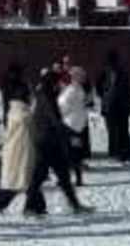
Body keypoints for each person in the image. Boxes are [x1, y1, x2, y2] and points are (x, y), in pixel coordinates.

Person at [22, 69, 89, 215]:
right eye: (57, 82)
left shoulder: (45, 94)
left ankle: (75, 205)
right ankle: (28, 207)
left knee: (62, 176)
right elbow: (56, 121)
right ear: (52, 82)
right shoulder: (47, 96)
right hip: (46, 142)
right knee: (39, 177)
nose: (59, 85)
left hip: (49, 141)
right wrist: (71, 136)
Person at [0, 81, 34, 214]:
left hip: (22, 148)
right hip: (18, 150)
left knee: (28, 179)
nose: (32, 97)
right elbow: (22, 119)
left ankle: (35, 207)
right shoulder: (19, 110)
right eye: (30, 94)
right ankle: (0, 200)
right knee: (20, 180)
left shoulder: (20, 108)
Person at [97, 50, 130, 163]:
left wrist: (104, 96)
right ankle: (123, 153)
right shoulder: (122, 72)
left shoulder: (105, 72)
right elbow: (128, 89)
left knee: (114, 130)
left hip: (111, 105)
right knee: (122, 130)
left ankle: (117, 153)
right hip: (120, 105)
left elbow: (99, 88)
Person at [58, 66, 91, 186]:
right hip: (79, 125)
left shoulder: (71, 91)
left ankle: (65, 179)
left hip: (70, 125)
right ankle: (78, 179)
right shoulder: (79, 89)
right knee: (75, 153)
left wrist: (57, 115)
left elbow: (63, 107)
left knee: (67, 153)